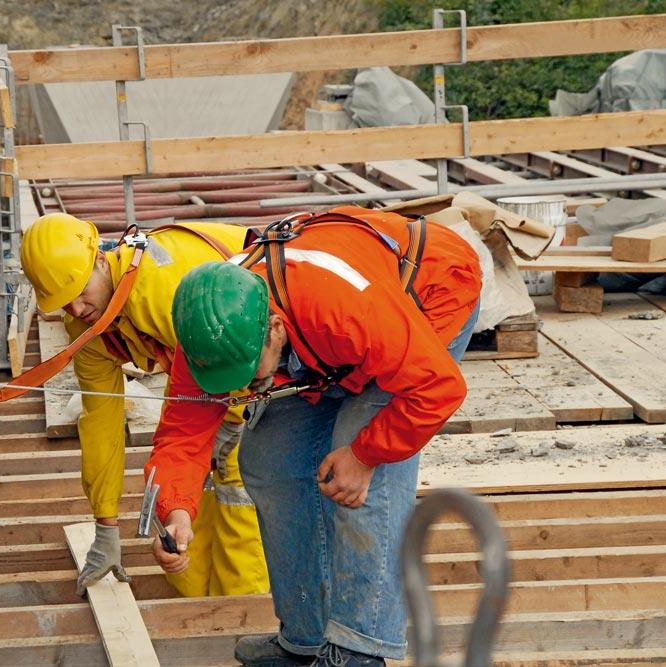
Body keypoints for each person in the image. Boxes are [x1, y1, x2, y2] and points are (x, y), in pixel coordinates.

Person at [144, 206, 482, 666]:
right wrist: (177, 510)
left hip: (430, 293)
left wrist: (365, 455)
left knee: (360, 469)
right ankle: (303, 641)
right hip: (328, 345)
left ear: (276, 330)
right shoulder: (210, 333)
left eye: (248, 375)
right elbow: (182, 433)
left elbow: (437, 387)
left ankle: (361, 650)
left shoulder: (343, 310)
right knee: (269, 457)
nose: (241, 390)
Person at [19, 212, 269, 597]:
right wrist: (105, 525)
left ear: (101, 260)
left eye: (81, 292)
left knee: (237, 479)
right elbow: (101, 423)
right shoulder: (89, 332)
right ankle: (196, 610)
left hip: (259, 359)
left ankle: (243, 613)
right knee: (182, 495)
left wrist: (233, 420)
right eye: (64, 303)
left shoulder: (163, 291)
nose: (77, 309)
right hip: (205, 380)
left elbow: (237, 354)